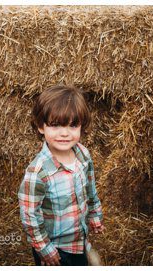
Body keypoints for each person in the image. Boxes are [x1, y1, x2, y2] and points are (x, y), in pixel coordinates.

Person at [18, 85, 104, 266]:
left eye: (73, 125)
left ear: (82, 125)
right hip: (56, 249)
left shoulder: (83, 154)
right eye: (55, 125)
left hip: (80, 241)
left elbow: (90, 189)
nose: (64, 133)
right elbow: (30, 216)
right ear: (41, 126)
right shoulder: (38, 173)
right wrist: (44, 248)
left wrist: (94, 215)